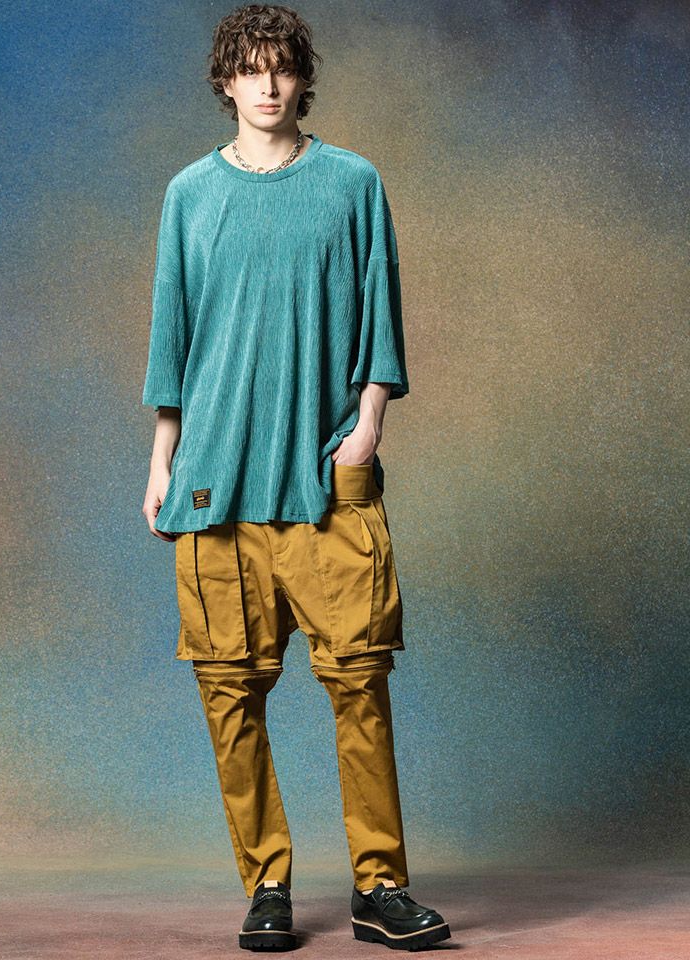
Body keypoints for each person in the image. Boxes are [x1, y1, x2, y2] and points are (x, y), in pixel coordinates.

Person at [141, 4, 452, 952]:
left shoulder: (352, 182)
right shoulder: (190, 194)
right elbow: (172, 339)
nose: (268, 85)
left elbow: (381, 318)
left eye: (282, 68)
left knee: (360, 685)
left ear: (303, 78)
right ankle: (267, 884)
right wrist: (160, 462)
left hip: (325, 485)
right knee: (230, 695)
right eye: (250, 69)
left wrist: (367, 430)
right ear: (225, 82)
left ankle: (379, 885)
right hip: (215, 486)